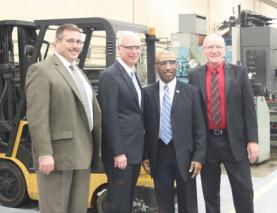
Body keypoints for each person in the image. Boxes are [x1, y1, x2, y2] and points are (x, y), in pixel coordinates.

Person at [25, 24, 101, 213]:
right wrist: (44, 153)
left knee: (77, 209)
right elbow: (37, 116)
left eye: (78, 42)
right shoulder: (41, 70)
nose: (75, 46)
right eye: (70, 41)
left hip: (82, 153)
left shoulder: (78, 72)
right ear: (56, 43)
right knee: (55, 209)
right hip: (58, 156)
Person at [188, 34, 260, 213]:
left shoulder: (239, 72)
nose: (214, 51)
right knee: (210, 193)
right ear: (204, 51)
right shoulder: (194, 76)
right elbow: (193, 112)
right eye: (210, 47)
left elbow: (249, 109)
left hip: (234, 140)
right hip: (208, 143)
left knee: (243, 190)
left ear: (225, 50)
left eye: (218, 47)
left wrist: (253, 140)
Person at [142, 50, 207, 213]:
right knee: (163, 202)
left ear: (177, 66)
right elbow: (143, 128)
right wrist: (145, 156)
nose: (168, 67)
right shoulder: (147, 93)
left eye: (171, 62)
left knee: (188, 201)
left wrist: (198, 157)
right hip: (159, 154)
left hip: (185, 156)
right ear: (156, 67)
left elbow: (200, 128)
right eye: (163, 63)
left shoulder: (191, 92)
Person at [98, 31, 144, 213]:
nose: (134, 51)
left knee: (127, 198)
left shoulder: (132, 74)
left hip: (133, 150)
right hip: (121, 153)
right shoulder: (110, 76)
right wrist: (118, 152)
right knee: (118, 201)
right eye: (129, 47)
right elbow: (109, 117)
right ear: (119, 49)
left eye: (137, 47)